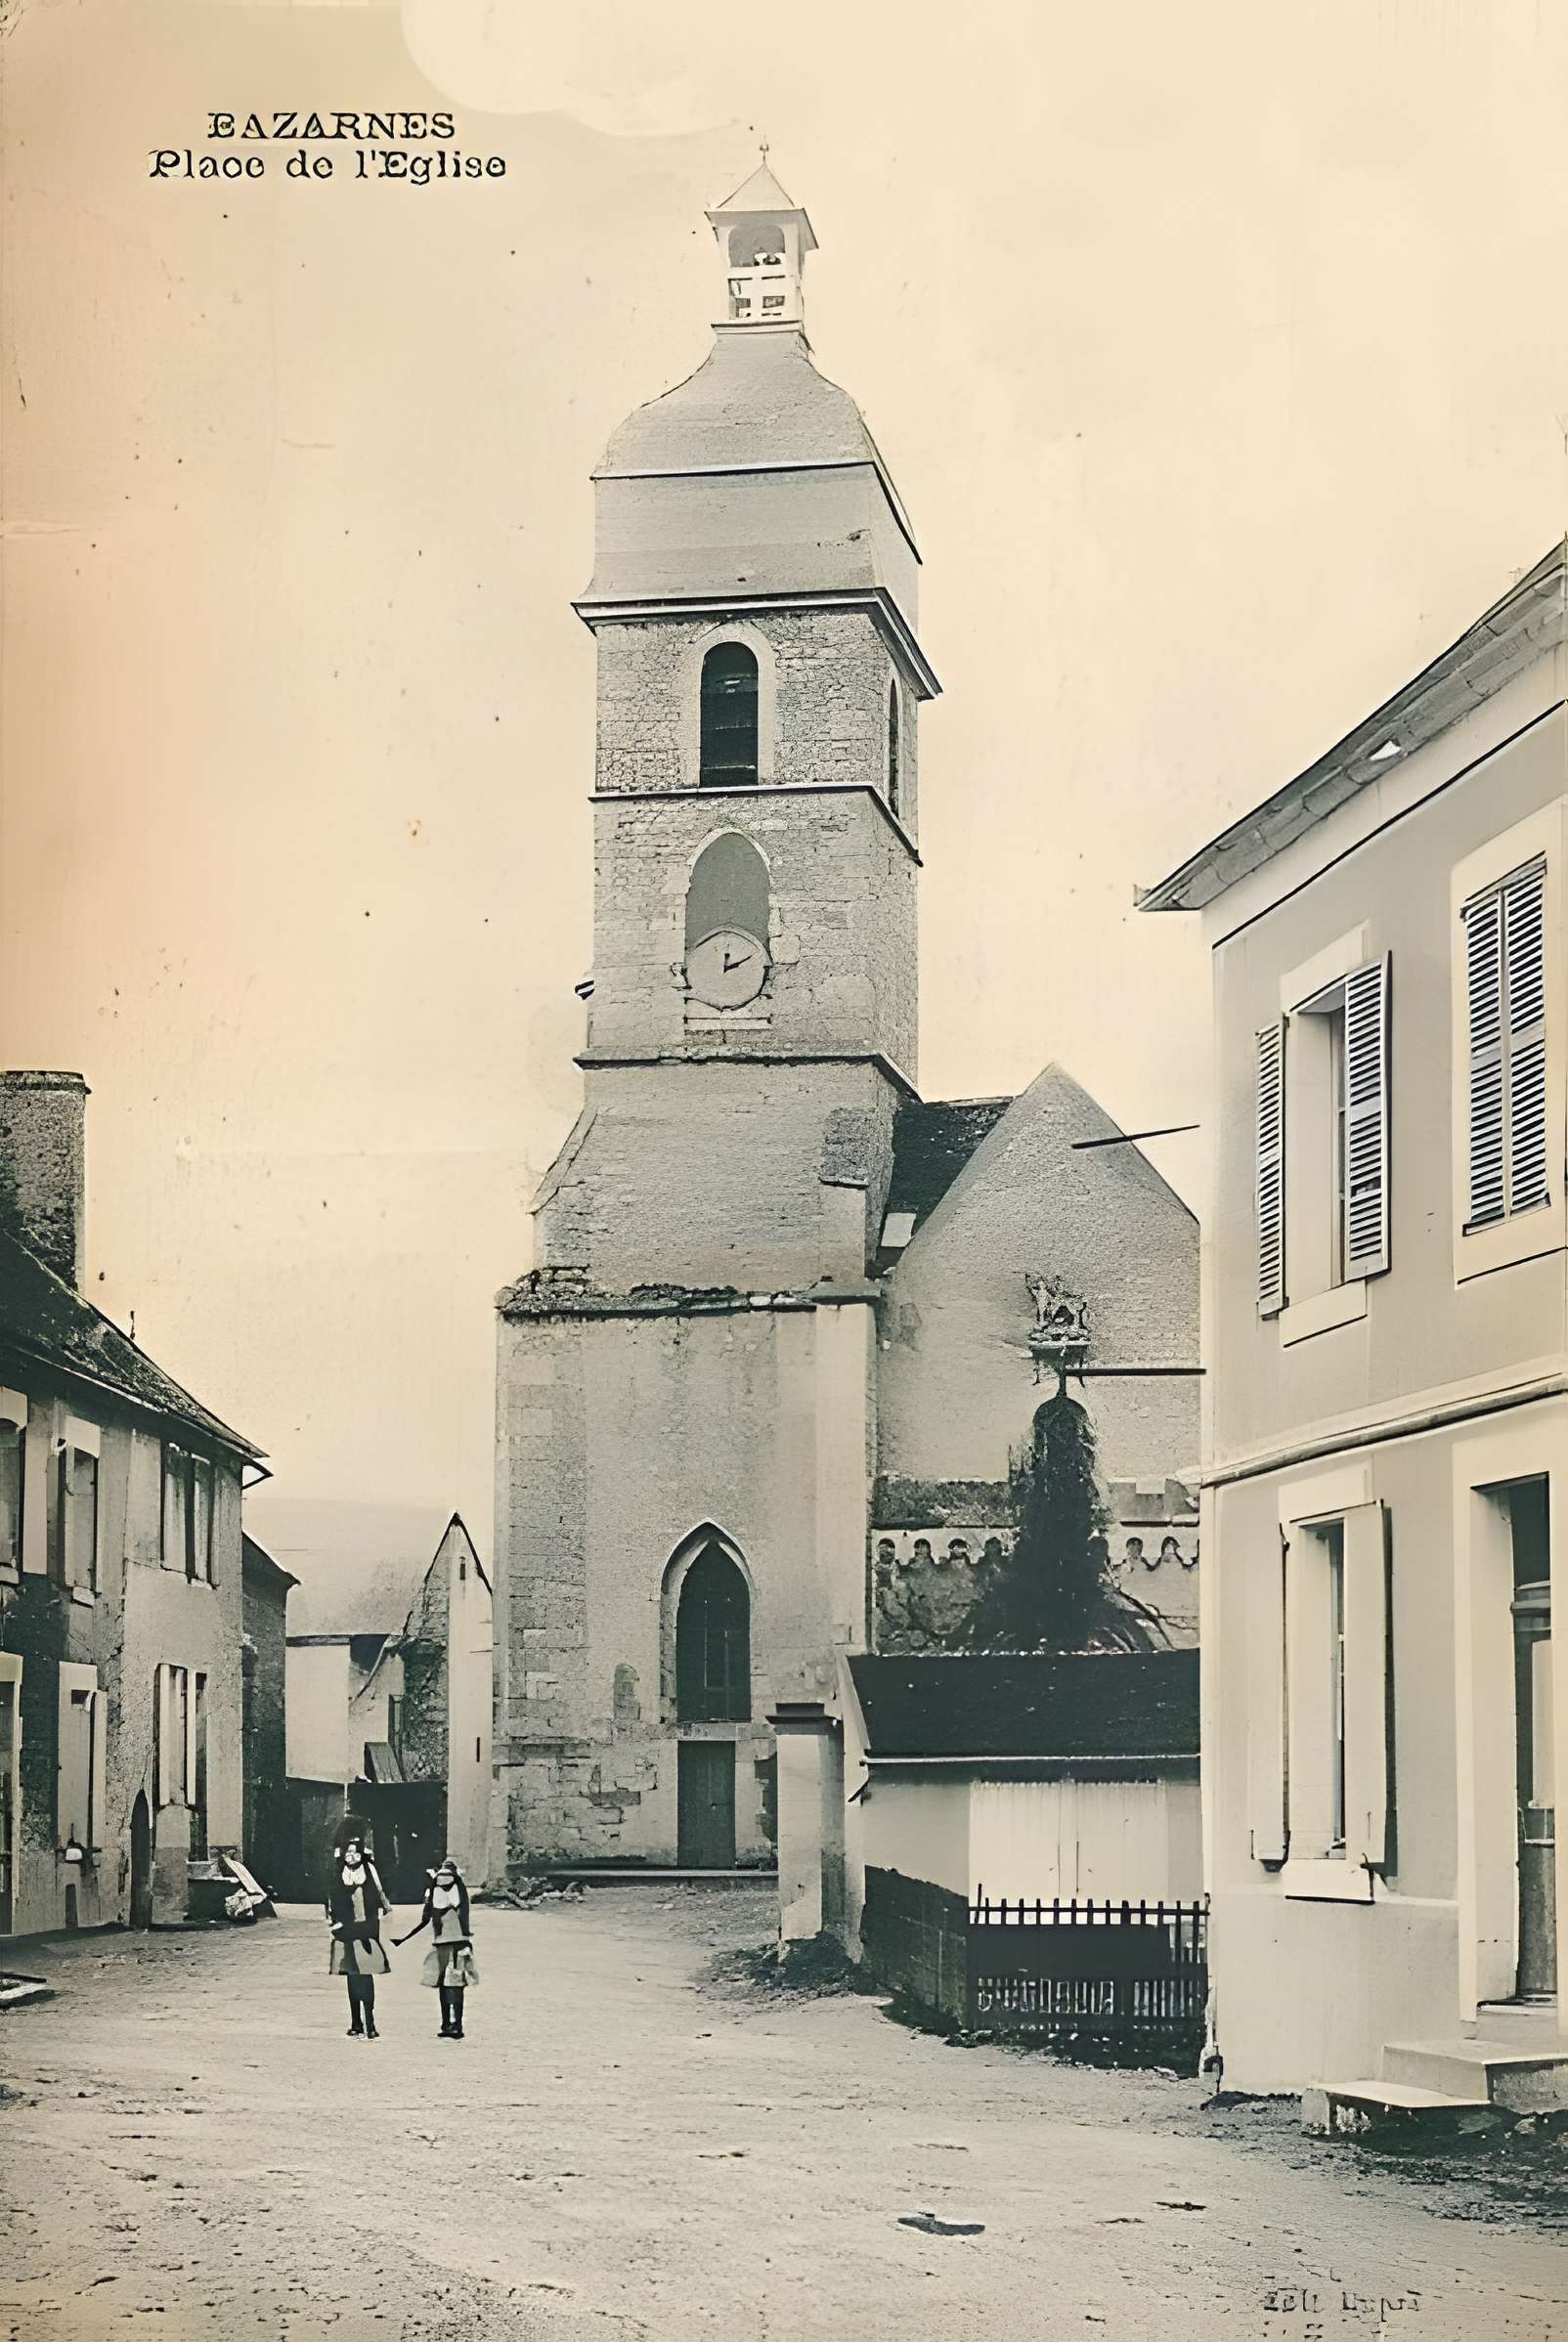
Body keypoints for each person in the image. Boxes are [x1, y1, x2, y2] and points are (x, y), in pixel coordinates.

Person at [394, 1857, 479, 2038]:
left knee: (452, 1985)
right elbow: (427, 1919)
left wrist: (404, 1938)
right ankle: (450, 2023)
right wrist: (403, 1938)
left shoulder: (447, 1893)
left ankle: (453, 2023)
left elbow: (427, 1919)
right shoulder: (453, 1892)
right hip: (447, 1944)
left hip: (454, 1944)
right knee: (448, 1985)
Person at [326, 1831, 392, 2039]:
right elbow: (330, 1901)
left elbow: (380, 1895)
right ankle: (356, 2022)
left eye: (355, 1852)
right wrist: (333, 1922)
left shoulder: (369, 1871)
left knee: (366, 1975)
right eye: (348, 1853)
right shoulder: (338, 1874)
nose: (351, 1856)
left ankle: (370, 2022)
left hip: (366, 1932)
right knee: (351, 1977)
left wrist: (381, 1914)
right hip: (346, 1932)